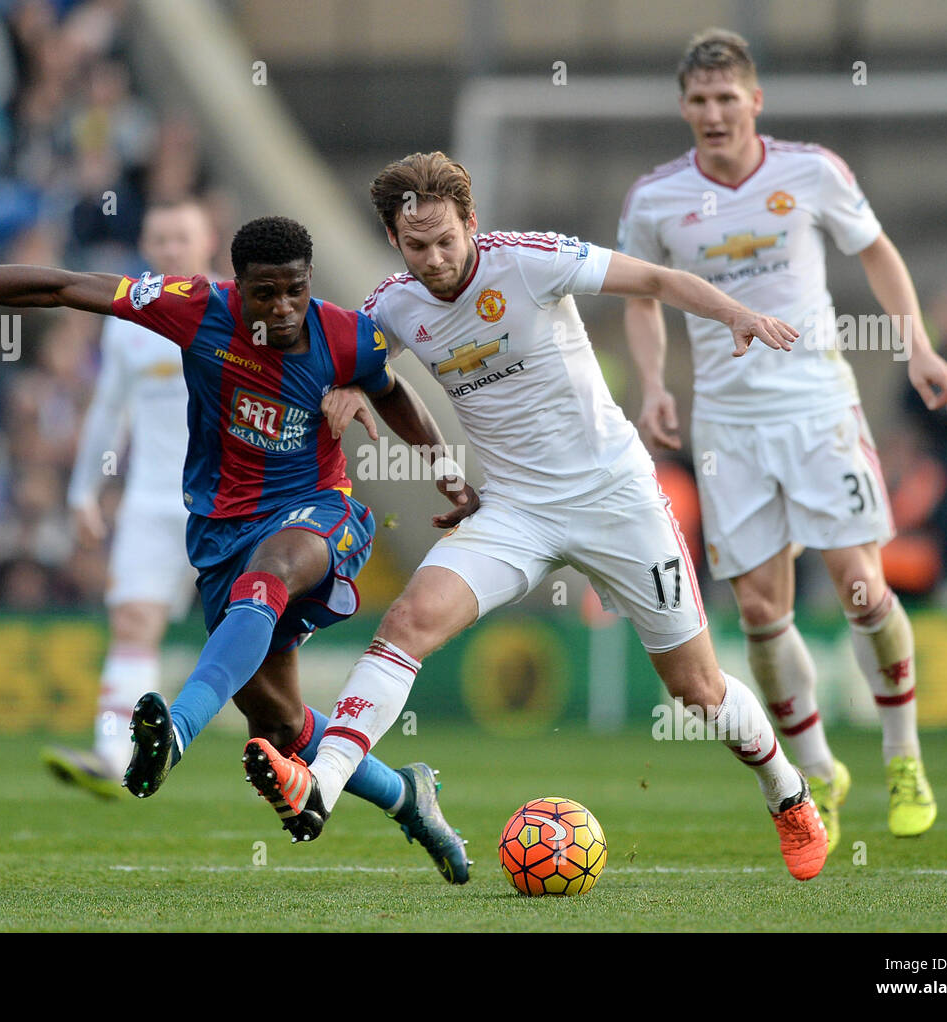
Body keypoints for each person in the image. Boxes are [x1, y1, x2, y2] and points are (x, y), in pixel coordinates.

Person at [240, 151, 835, 882]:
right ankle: (321, 784)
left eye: (445, 241)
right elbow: (350, 363)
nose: (433, 259)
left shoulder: (530, 261)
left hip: (615, 497)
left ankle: (787, 791)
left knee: (697, 690)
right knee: (406, 624)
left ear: (472, 226)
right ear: (395, 241)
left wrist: (735, 314)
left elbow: (651, 277)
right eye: (416, 245)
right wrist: (349, 392)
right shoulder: (391, 304)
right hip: (516, 509)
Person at [0, 216, 476, 883]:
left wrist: (446, 471)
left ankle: (173, 733)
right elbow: (61, 286)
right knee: (282, 722)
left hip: (321, 514)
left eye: (295, 290)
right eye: (266, 294)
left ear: (309, 280)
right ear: (239, 287)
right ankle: (409, 798)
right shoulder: (195, 308)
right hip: (222, 533)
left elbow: (389, 385)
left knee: (267, 578)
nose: (283, 308)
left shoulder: (345, 333)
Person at [616, 29, 947, 848]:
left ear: (755, 101)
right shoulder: (656, 199)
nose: (713, 114)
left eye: (727, 99)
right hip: (729, 431)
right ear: (684, 107)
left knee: (861, 591)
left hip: (817, 411)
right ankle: (816, 770)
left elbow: (876, 250)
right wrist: (656, 386)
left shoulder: (811, 171)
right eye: (698, 102)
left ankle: (903, 756)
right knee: (764, 616)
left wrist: (914, 342)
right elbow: (641, 296)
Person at [41, 198, 216, 797]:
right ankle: (111, 753)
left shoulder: (232, 311)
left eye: (181, 237)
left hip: (224, 504)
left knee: (253, 630)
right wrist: (83, 490)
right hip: (148, 502)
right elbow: (108, 410)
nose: (170, 249)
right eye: (160, 238)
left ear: (207, 241)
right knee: (134, 621)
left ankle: (299, 754)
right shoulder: (128, 320)